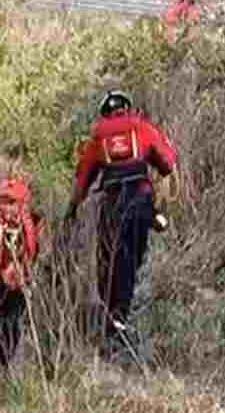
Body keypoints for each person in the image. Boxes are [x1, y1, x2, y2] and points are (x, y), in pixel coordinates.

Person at [65, 91, 177, 344]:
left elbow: (83, 179)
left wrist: (72, 208)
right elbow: (168, 163)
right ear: (127, 107)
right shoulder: (143, 127)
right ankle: (120, 317)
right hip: (140, 201)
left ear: (105, 112)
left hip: (112, 205)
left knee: (109, 259)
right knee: (133, 259)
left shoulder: (98, 136)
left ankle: (113, 315)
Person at [0, 176, 43, 371]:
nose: (5, 208)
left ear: (22, 204)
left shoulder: (34, 223)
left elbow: (40, 252)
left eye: (11, 203)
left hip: (20, 287)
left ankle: (6, 366)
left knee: (14, 328)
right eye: (2, 202)